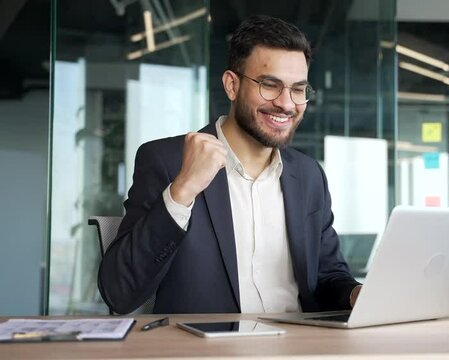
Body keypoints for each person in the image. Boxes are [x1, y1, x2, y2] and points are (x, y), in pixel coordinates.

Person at [98, 15, 362, 314]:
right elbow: (119, 293)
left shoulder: (308, 174)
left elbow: (327, 276)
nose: (286, 104)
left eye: (298, 89)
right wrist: (182, 191)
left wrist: (356, 294)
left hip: (296, 348)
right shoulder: (168, 160)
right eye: (269, 85)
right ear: (232, 85)